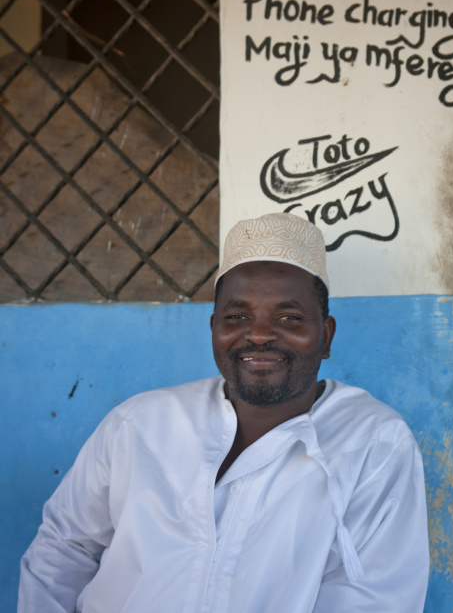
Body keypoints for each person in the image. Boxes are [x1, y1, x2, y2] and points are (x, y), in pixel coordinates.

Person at [18, 212, 429, 612]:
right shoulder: (140, 425)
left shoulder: (374, 443)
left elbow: (376, 596)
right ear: (214, 328)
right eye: (238, 316)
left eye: (289, 317)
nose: (260, 334)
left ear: (325, 336)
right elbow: (64, 545)